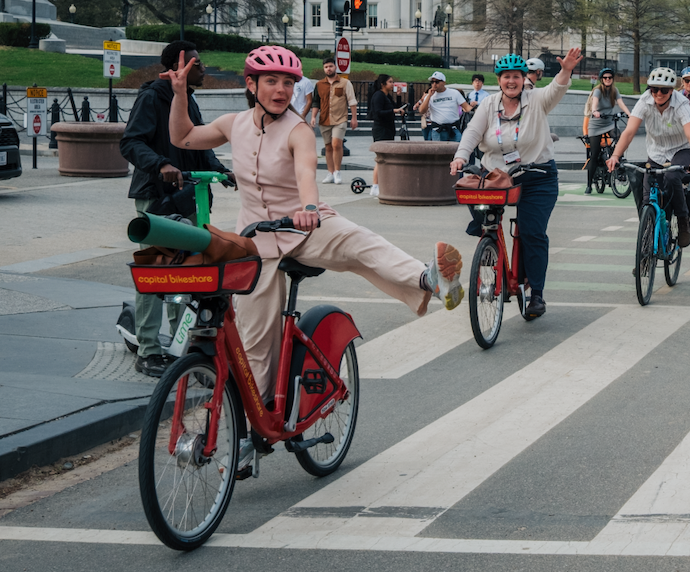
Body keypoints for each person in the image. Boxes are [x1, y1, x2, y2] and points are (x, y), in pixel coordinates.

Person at [164, 45, 465, 405]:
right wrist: (179, 94)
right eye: (271, 81)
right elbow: (182, 137)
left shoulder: (298, 130)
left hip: (302, 226)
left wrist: (308, 207)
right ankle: (257, 424)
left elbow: (307, 171)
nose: (281, 91)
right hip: (255, 242)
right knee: (255, 342)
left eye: (288, 83)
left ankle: (428, 278)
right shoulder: (233, 124)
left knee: (358, 242)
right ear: (250, 85)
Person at [120, 40, 229, 377]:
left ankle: (184, 351)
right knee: (155, 274)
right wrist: (162, 164)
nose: (203, 68)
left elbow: (198, 144)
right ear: (179, 66)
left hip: (188, 197)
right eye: (197, 63)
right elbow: (130, 142)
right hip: (157, 196)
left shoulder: (189, 101)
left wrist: (221, 169)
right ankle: (149, 350)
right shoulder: (153, 96)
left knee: (188, 275)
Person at [451, 49, 584, 319]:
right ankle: (488, 243)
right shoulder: (489, 104)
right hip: (498, 177)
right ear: (499, 80)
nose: (511, 81)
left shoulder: (536, 100)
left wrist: (566, 70)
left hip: (537, 175)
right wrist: (460, 156)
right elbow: (473, 133)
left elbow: (556, 89)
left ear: (524, 79)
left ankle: (536, 292)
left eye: (516, 77)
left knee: (532, 232)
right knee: (477, 204)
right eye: (506, 77)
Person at [607, 67, 690, 248]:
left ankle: (683, 221)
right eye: (654, 89)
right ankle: (646, 247)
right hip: (656, 152)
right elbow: (629, 132)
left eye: (664, 90)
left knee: (671, 176)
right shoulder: (644, 101)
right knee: (646, 197)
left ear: (672, 90)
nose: (658, 94)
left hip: (681, 150)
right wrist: (615, 156)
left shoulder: (681, 104)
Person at [585, 67, 631, 193]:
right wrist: (595, 111)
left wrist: (630, 115)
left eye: (610, 78)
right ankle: (589, 184)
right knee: (594, 154)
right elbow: (594, 103)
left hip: (609, 122)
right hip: (596, 124)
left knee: (620, 136)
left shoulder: (614, 91)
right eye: (605, 78)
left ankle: (616, 157)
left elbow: (621, 103)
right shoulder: (598, 91)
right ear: (601, 79)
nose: (607, 80)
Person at [311, 59, 357, 185]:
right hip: (324, 119)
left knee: (337, 144)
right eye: (326, 67)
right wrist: (313, 116)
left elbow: (352, 101)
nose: (328, 69)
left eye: (330, 66)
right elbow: (316, 102)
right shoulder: (319, 84)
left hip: (340, 118)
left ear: (335, 67)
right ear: (323, 69)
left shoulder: (345, 83)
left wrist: (354, 118)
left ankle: (337, 171)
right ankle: (330, 173)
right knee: (328, 147)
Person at [367, 74, 402, 198]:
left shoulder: (387, 96)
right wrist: (393, 111)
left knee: (386, 157)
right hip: (380, 129)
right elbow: (378, 112)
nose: (392, 84)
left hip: (388, 129)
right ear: (383, 84)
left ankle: (381, 184)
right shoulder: (378, 96)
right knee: (381, 157)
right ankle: (375, 186)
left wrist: (398, 97)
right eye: (390, 82)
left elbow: (395, 108)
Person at [418, 71, 471, 141]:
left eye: (437, 82)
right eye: (432, 82)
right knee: (439, 151)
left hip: (453, 129)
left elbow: (467, 107)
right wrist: (429, 96)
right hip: (438, 130)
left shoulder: (454, 93)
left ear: (443, 82)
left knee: (458, 149)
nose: (434, 84)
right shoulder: (430, 96)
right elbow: (421, 110)